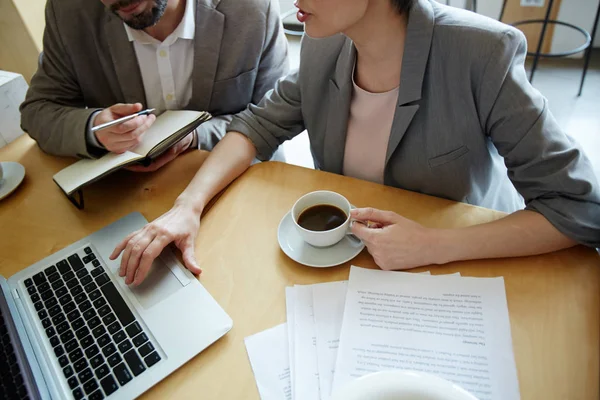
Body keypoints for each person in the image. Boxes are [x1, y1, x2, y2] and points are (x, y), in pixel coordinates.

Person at [112, 0, 600, 286]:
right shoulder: (327, 41)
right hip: (350, 269)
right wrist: (187, 207)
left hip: (463, 271)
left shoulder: (481, 53)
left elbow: (579, 210)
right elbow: (255, 127)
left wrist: (434, 246)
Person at [20, 0, 289, 170]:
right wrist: (94, 127)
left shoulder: (252, 9)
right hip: (124, 195)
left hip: (236, 176)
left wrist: (194, 137)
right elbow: (38, 111)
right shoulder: (68, 11)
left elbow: (272, 122)